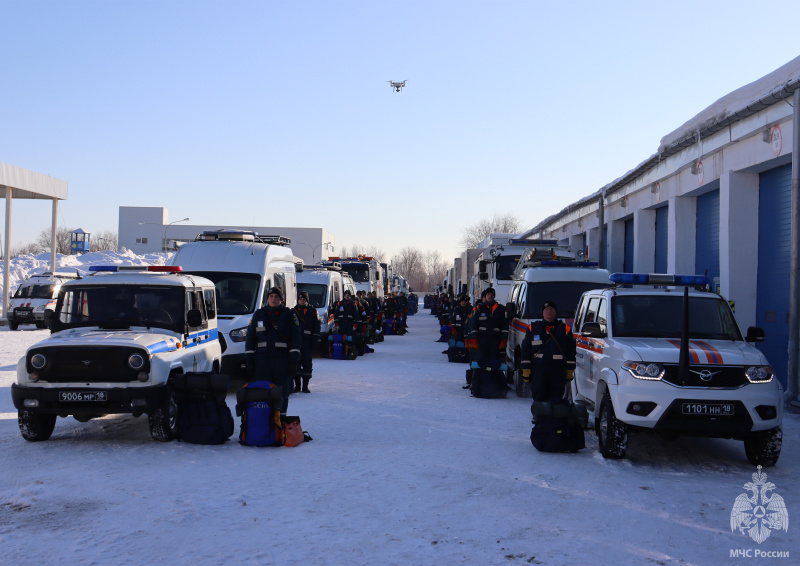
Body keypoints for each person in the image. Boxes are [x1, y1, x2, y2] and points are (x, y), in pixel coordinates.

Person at [245, 287, 301, 414]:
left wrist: (293, 361)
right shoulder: (258, 315)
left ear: (281, 299)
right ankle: (266, 422)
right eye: (271, 296)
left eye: (276, 297)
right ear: (267, 298)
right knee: (263, 392)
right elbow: (250, 338)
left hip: (282, 362)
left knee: (281, 393)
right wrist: (250, 360)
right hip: (262, 362)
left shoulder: (289, 315)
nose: (273, 299)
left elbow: (296, 338)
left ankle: (280, 421)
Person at [520, 300, 576, 404]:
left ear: (556, 312)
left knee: (556, 400)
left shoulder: (566, 329)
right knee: (539, 398)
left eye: (551, 309)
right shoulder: (533, 328)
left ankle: (553, 419)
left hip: (558, 371)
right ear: (542, 313)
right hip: (538, 370)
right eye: (546, 309)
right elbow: (525, 350)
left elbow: (571, 351)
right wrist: (526, 370)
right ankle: (539, 418)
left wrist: (569, 371)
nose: (549, 311)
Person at [465, 287, 508, 389]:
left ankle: (495, 384)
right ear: (485, 296)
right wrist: (474, 339)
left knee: (495, 361)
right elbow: (473, 325)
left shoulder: (501, 309)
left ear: (494, 296)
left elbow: (505, 326)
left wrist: (504, 339)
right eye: (488, 294)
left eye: (492, 294)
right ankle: (477, 383)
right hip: (482, 340)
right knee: (480, 361)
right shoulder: (479, 308)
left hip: (495, 340)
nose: (490, 296)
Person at [293, 291, 320, 393]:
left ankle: (305, 386)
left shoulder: (313, 311)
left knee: (307, 363)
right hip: (296, 341)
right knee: (296, 363)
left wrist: (315, 339)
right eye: (300, 299)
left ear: (307, 300)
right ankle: (297, 386)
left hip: (308, 342)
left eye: (304, 299)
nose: (302, 301)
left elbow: (317, 326)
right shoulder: (293, 311)